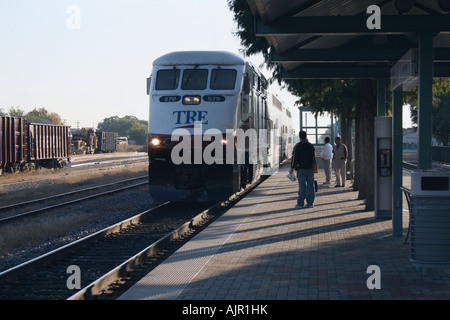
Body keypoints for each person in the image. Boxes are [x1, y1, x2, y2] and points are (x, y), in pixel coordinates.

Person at [289, 131, 315, 209]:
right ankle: (310, 203)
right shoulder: (311, 146)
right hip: (310, 168)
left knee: (302, 187)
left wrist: (292, 168)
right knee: (311, 186)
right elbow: (313, 158)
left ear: (300, 137)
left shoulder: (298, 146)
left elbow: (294, 158)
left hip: (301, 169)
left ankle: (300, 204)